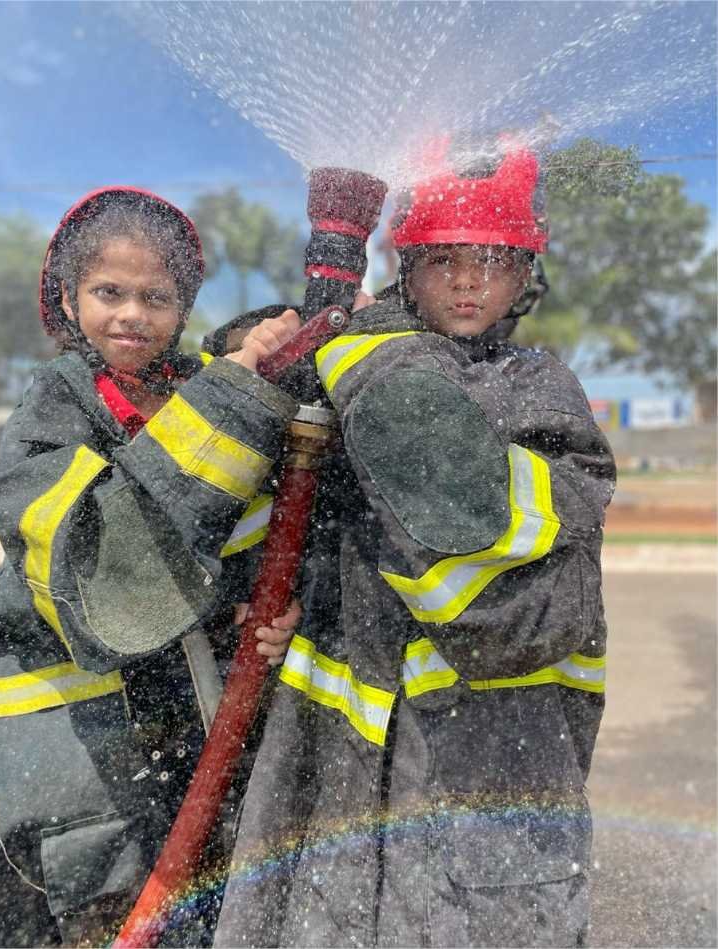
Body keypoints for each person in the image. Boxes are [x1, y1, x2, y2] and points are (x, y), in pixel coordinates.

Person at [210, 138, 616, 948]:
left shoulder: (538, 392)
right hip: (341, 772)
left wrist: (366, 353)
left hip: (487, 758)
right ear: (405, 269)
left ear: (524, 275)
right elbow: (275, 519)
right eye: (440, 261)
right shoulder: (355, 373)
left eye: (491, 260)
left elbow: (476, 546)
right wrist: (281, 603)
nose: (466, 281)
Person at [0, 186, 303, 948]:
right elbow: (104, 580)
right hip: (65, 766)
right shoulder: (55, 408)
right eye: (108, 292)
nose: (131, 315)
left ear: (184, 309)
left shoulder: (196, 388)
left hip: (170, 747)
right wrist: (232, 394)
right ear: (68, 298)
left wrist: (266, 607)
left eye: (156, 297)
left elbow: (238, 531)